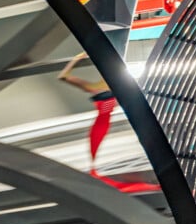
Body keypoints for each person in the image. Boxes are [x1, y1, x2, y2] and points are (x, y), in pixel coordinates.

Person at [58, 52, 160, 193]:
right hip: (100, 126)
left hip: (106, 124)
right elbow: (63, 76)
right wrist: (76, 59)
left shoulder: (118, 86)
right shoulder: (96, 87)